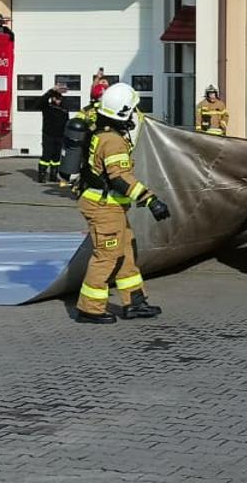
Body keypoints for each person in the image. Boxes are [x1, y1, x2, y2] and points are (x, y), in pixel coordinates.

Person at [73, 82, 170, 324]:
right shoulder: (112, 140)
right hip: (103, 206)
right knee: (106, 256)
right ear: (125, 112)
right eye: (134, 109)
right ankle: (90, 308)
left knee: (126, 253)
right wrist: (151, 200)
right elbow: (119, 178)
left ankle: (135, 303)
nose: (137, 113)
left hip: (111, 206)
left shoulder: (103, 131)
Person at [39, 85, 69, 183]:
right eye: (56, 98)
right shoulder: (47, 107)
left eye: (59, 98)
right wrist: (51, 91)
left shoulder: (64, 109)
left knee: (56, 158)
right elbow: (40, 101)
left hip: (60, 136)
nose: (58, 100)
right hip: (48, 135)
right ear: (52, 98)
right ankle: (42, 175)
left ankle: (53, 175)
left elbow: (66, 121)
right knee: (46, 156)